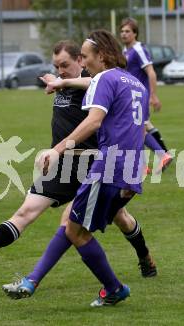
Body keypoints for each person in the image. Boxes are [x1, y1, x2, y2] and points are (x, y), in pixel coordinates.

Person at [0, 41, 156, 285]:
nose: (60, 70)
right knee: (26, 211)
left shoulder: (93, 81)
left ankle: (144, 257)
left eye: (65, 65)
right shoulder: (63, 83)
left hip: (92, 164)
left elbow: (96, 84)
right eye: (57, 66)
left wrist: (65, 81)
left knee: (120, 218)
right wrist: (58, 82)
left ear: (81, 61)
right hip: (61, 164)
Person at [33, 29, 149, 306]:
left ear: (102, 55)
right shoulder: (136, 83)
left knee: (74, 229)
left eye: (85, 57)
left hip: (109, 166)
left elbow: (94, 121)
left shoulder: (105, 79)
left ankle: (113, 288)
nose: (82, 62)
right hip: (130, 168)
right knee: (77, 223)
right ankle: (33, 279)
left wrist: (57, 148)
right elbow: (142, 130)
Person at [120, 18, 173, 174]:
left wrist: (153, 95)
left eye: (127, 31)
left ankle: (162, 155)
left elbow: (151, 72)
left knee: (138, 129)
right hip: (130, 97)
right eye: (122, 31)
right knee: (138, 129)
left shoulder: (138, 49)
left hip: (139, 96)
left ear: (135, 33)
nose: (124, 34)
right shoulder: (125, 51)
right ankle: (143, 166)